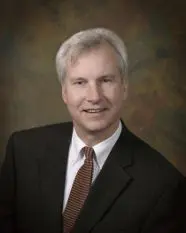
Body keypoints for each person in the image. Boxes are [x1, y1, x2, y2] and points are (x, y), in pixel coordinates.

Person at [0, 28, 186, 233]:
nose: (94, 96)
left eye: (105, 80)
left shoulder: (164, 186)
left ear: (124, 86)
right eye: (80, 82)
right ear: (64, 92)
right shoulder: (22, 151)